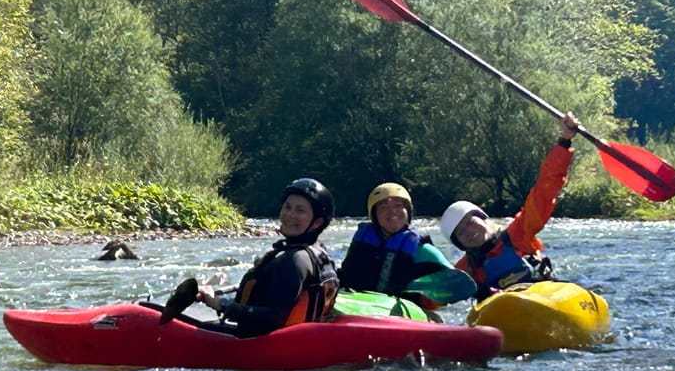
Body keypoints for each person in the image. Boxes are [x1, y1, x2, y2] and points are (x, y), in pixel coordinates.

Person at [439, 112, 580, 301]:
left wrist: (564, 142)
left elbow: (544, 191)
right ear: (460, 245)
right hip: (506, 315)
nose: (469, 231)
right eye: (462, 233)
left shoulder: (519, 233)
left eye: (470, 222)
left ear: (484, 219)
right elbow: (435, 296)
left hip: (544, 301)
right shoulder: (465, 271)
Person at [193, 178, 340, 337]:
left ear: (317, 222)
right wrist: (215, 296)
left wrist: (221, 305)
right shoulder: (318, 252)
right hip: (297, 341)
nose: (290, 214)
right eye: (287, 207)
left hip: (261, 345)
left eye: (300, 210)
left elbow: (273, 318)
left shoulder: (295, 260)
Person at [338, 182, 471, 309]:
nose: (392, 212)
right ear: (374, 215)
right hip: (356, 305)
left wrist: (432, 298)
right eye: (384, 207)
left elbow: (456, 285)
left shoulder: (425, 251)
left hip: (403, 313)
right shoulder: (362, 244)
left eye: (398, 205)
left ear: (408, 212)